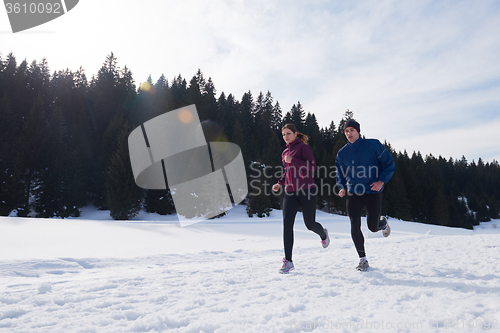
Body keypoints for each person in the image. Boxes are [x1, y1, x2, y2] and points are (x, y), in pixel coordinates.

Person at [335, 120, 395, 271]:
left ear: (358, 131)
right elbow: (340, 174)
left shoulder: (373, 145)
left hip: (372, 191)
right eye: (346, 131)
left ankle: (383, 223)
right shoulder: (342, 153)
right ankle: (363, 259)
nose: (349, 134)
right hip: (353, 192)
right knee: (354, 224)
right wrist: (342, 188)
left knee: (372, 227)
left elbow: (389, 164)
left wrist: (381, 181)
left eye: (352, 130)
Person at [272, 123, 330, 274]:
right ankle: (288, 261)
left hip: (307, 191)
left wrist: (294, 161)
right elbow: (287, 172)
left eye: (288, 133)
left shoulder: (303, 148)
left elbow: (312, 167)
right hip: (290, 192)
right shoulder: (285, 152)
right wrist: (280, 183)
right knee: (287, 224)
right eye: (284, 134)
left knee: (309, 224)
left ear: (295, 134)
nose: (286, 136)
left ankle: (323, 234)